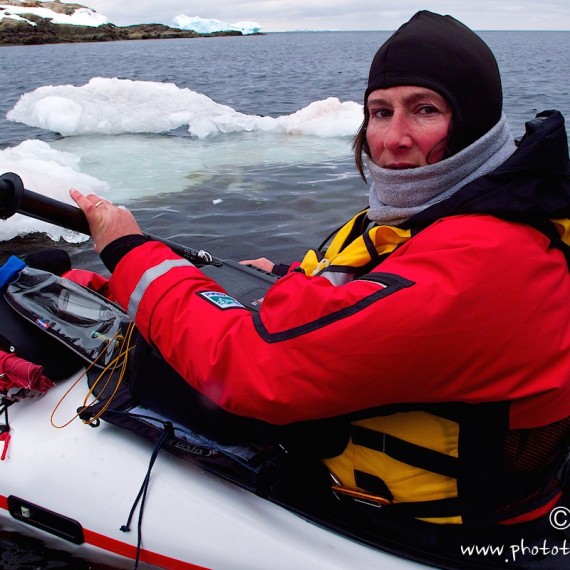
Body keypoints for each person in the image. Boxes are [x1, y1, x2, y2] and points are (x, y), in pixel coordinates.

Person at [71, 10, 570, 567]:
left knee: (170, 382)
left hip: (451, 535)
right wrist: (282, 278)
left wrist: (126, 252)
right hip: (448, 494)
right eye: (380, 112)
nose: (394, 138)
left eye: (425, 110)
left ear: (476, 120)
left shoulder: (487, 262)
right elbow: (380, 282)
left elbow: (253, 367)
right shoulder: (473, 212)